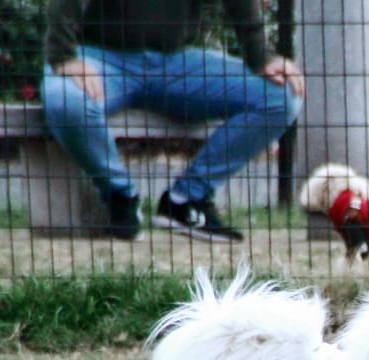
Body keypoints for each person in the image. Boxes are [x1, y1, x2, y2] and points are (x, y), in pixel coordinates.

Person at [42, 0, 305, 242]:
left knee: (281, 96)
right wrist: (63, 56)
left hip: (176, 62)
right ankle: (120, 196)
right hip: (100, 58)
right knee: (65, 99)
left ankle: (185, 199)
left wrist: (261, 56)